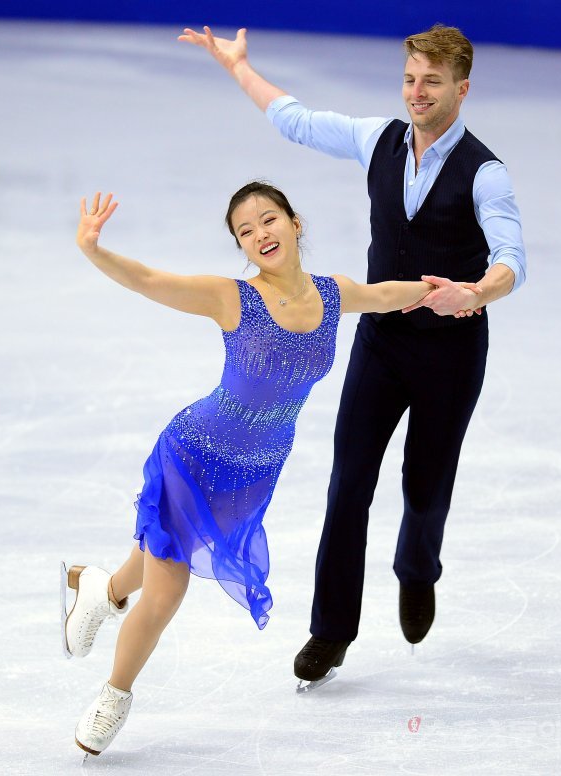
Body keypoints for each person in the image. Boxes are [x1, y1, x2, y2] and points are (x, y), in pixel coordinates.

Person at [178, 24, 527, 682]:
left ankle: (417, 567)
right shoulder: (379, 139)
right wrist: (238, 68)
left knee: (425, 488)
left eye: (432, 82)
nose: (416, 93)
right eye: (409, 79)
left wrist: (478, 290)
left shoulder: (485, 172)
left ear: (462, 88)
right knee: (349, 486)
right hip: (383, 343)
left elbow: (514, 259)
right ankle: (331, 630)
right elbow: (298, 122)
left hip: (452, 354)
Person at [64, 181, 439, 757]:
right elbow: (150, 281)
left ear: (295, 223)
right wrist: (95, 250)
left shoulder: (332, 294)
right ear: (241, 245)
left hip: (253, 475)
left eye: (269, 220)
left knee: (164, 552)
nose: (260, 233)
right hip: (193, 454)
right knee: (167, 591)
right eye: (245, 230)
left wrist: (448, 291)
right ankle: (113, 695)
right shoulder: (231, 297)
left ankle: (101, 589)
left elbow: (385, 295)